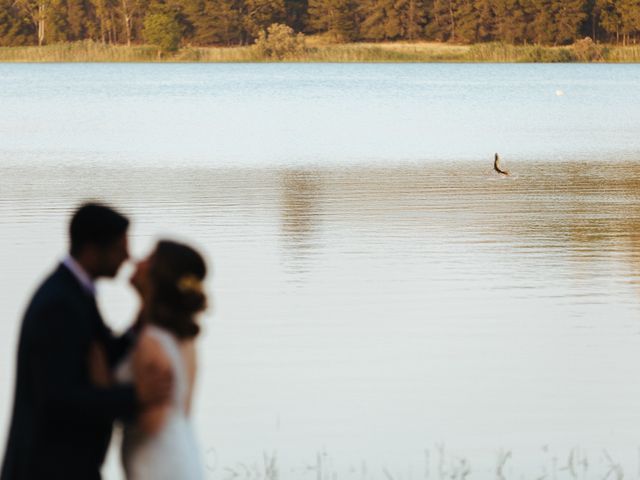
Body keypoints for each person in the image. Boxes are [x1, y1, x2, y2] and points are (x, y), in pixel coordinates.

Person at [0, 203, 171, 480]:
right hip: (47, 469)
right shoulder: (58, 305)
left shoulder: (75, 293)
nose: (128, 257)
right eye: (119, 248)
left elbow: (100, 355)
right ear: (92, 251)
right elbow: (59, 397)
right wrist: (135, 396)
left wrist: (138, 323)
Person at [107, 240, 208, 480]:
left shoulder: (151, 342)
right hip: (181, 452)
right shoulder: (182, 338)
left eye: (148, 258)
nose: (137, 261)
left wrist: (103, 388)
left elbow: (152, 422)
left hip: (156, 463)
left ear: (159, 276)